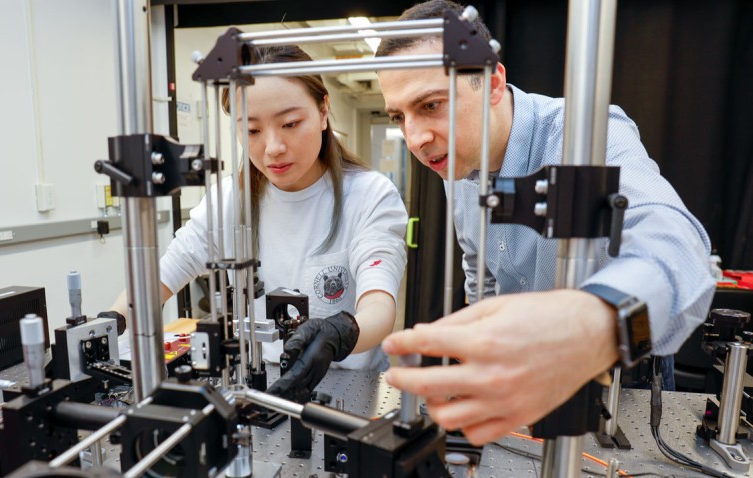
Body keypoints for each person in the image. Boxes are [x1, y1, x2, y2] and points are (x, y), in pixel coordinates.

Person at [375, 0, 715, 445]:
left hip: (617, 377)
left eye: (432, 104)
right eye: (399, 117)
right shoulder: (457, 163)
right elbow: (482, 275)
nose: (416, 138)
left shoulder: (585, 134)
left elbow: (680, 248)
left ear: (493, 82)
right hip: (523, 376)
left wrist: (594, 325)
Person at [108, 45, 408, 403]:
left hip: (350, 389)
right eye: (251, 130)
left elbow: (379, 306)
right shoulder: (229, 202)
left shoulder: (370, 196)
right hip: (258, 387)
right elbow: (158, 279)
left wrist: (338, 334)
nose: (273, 147)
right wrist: (106, 327)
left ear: (324, 110)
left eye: (290, 124)